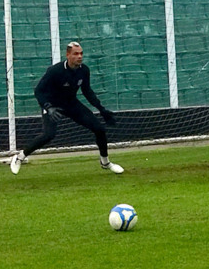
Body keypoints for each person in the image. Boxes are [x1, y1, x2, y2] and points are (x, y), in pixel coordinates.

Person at [10, 41, 124, 174]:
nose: (79, 56)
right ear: (68, 55)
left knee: (99, 129)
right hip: (53, 105)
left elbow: (87, 92)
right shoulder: (55, 71)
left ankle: (105, 162)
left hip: (71, 103)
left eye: (81, 53)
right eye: (76, 54)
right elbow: (39, 91)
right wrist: (48, 107)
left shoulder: (84, 70)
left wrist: (101, 109)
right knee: (49, 135)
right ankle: (19, 158)